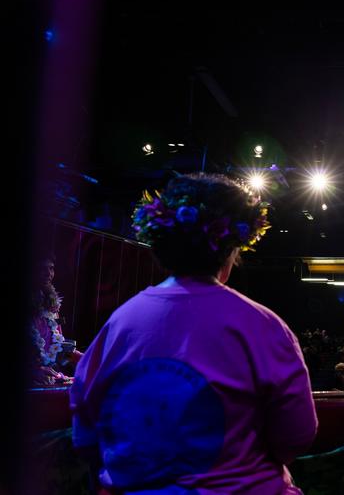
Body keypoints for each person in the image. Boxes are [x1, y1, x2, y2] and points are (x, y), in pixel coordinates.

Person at [70, 173, 317, 494]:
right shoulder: (266, 326)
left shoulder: (118, 324)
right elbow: (296, 437)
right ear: (230, 251)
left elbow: (85, 436)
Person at [30, 254, 82, 386]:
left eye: (51, 268)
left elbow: (59, 347)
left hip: (48, 381)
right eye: (42, 269)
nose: (48, 273)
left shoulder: (52, 306)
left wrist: (87, 358)